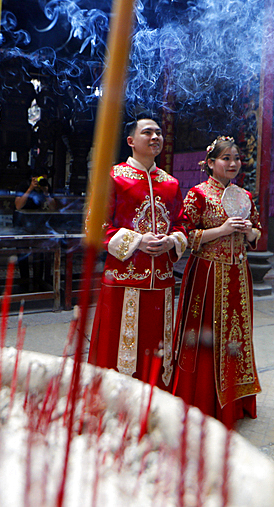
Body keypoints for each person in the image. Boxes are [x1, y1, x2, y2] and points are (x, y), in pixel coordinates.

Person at [87, 115, 187, 389]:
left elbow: (181, 224)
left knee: (156, 348)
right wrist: (137, 241)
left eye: (158, 133)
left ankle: (155, 405)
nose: (155, 137)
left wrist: (172, 241)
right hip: (123, 280)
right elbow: (95, 226)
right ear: (131, 141)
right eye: (147, 133)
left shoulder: (171, 183)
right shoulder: (113, 177)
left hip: (162, 282)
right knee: (118, 351)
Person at [171, 136, 261, 427]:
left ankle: (235, 400)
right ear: (210, 163)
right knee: (207, 338)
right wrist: (222, 230)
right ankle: (203, 399)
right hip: (207, 275)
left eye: (236, 158)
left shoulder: (244, 196)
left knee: (236, 338)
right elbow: (185, 235)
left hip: (238, 275)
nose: (233, 163)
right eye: (226, 159)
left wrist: (249, 232)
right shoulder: (198, 194)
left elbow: (257, 234)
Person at [14, 175, 56, 288]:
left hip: (37, 224)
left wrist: (46, 193)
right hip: (21, 223)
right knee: (23, 253)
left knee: (39, 252)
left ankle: (39, 281)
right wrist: (30, 189)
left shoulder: (45, 186)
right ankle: (24, 282)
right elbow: (18, 206)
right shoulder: (24, 185)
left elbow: (53, 208)